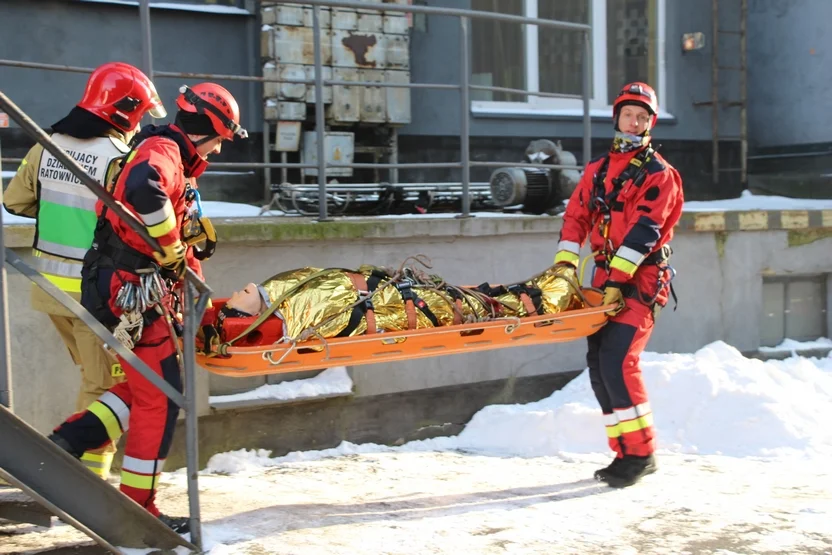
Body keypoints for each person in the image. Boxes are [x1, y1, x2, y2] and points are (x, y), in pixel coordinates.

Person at [47, 82, 246, 532]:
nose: (217, 150)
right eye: (218, 139)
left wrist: (189, 251)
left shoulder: (170, 154)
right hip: (131, 291)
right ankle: (137, 510)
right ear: (207, 130)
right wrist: (172, 244)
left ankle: (69, 440)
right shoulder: (162, 153)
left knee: (143, 390)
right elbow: (143, 186)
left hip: (132, 288)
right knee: (160, 396)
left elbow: (159, 207)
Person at [3, 62, 166, 479]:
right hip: (92, 295)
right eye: (140, 114)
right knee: (107, 386)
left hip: (47, 289)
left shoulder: (47, 145)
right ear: (125, 111)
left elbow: (15, 202)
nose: (141, 124)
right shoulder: (119, 157)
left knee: (95, 379)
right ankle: (89, 485)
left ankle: (84, 478)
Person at [553, 82, 684, 488]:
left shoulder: (661, 176)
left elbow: (644, 232)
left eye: (643, 116)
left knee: (618, 361)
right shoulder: (596, 172)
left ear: (650, 124)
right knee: (598, 364)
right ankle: (624, 452)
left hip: (641, 282)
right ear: (617, 117)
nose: (635, 121)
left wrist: (615, 280)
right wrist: (563, 268)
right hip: (605, 280)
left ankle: (642, 454)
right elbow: (575, 219)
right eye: (629, 114)